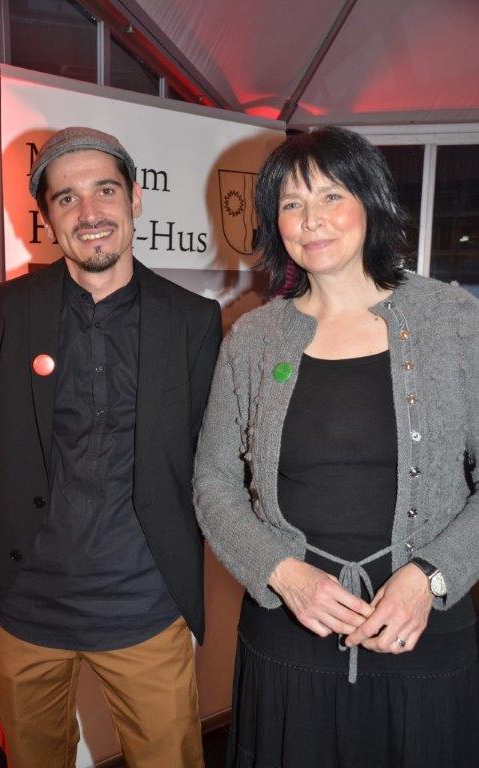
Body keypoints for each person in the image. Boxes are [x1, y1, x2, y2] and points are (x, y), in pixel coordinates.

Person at [194, 127, 478, 768]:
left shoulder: (453, 321)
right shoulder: (253, 338)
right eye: (291, 204)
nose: (311, 220)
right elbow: (213, 480)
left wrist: (429, 577)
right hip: (288, 632)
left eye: (330, 196)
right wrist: (282, 573)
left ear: (371, 202)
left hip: (422, 632)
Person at [0, 126, 222, 768]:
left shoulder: (193, 321)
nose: (89, 213)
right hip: (26, 610)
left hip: (146, 606)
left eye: (105, 191)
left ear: (135, 198)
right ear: (48, 218)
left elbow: (208, 457)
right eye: (67, 198)